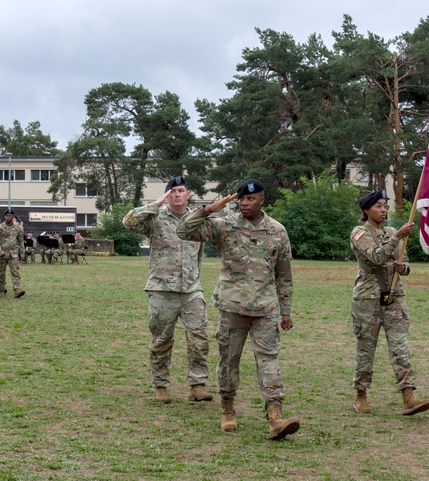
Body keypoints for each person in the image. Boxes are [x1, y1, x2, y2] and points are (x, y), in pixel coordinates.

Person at [177, 179, 300, 440]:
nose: (245, 203)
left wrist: (286, 310)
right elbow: (184, 231)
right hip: (232, 306)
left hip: (265, 308)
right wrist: (209, 209)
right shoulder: (225, 225)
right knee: (229, 360)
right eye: (242, 199)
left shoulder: (277, 231)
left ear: (262, 200)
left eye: (251, 199)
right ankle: (228, 408)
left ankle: (275, 414)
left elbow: (284, 274)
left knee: (269, 359)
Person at [123, 176, 211, 405]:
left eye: (181, 190)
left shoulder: (196, 219)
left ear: (188, 193)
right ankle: (161, 385)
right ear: (167, 195)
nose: (177, 194)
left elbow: (200, 253)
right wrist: (156, 203)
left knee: (199, 337)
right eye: (172, 191)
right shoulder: (156, 218)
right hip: (162, 289)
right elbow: (129, 222)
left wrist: (196, 278)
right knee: (162, 340)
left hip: (191, 289)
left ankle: (197, 385)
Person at [350, 190, 429, 415]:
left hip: (393, 296)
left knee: (399, 347)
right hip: (368, 299)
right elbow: (376, 257)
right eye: (378, 206)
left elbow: (405, 263)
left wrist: (402, 268)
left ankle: (409, 396)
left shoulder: (393, 231)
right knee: (366, 349)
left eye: (385, 206)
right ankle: (361, 394)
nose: (383, 210)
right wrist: (397, 237)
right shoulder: (359, 233)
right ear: (366, 210)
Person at [0, 208, 26, 298]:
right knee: (0, 273)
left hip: (13, 253)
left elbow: (20, 240)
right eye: (7, 216)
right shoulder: (0, 227)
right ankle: (1, 290)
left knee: (15, 272)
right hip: (2, 254)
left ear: (13, 217)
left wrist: (22, 252)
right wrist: (0, 251)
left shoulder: (17, 227)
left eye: (10, 216)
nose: (8, 217)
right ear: (4, 217)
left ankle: (17, 289)